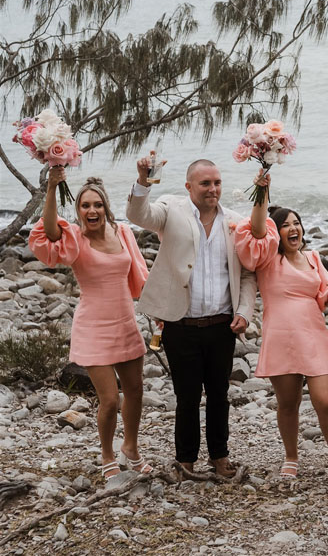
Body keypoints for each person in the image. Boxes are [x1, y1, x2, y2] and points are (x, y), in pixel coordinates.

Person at [126, 154, 256, 477]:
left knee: (219, 395)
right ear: (189, 186)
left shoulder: (235, 221)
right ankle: (185, 460)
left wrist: (244, 311)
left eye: (217, 183)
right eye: (205, 183)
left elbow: (250, 273)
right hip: (180, 323)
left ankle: (220, 456)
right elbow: (138, 214)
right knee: (186, 396)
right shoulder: (172, 209)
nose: (213, 189)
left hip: (222, 324)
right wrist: (144, 180)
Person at [28, 168, 150, 481]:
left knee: (135, 390)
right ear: (79, 210)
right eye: (85, 206)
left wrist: (159, 309)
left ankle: (131, 449)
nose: (91, 210)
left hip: (125, 322)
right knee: (110, 399)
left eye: (97, 205)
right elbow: (47, 232)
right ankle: (108, 455)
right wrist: (53, 188)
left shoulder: (121, 233)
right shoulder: (74, 239)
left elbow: (139, 274)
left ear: (105, 207)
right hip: (93, 327)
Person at [235, 171, 328, 488]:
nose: (293, 228)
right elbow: (257, 228)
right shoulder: (268, 258)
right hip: (281, 338)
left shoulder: (313, 257)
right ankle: (291, 457)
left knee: (326, 401)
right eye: (285, 225)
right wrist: (262, 190)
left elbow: (325, 298)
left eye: (296, 223)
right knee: (288, 404)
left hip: (314, 336)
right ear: (276, 232)